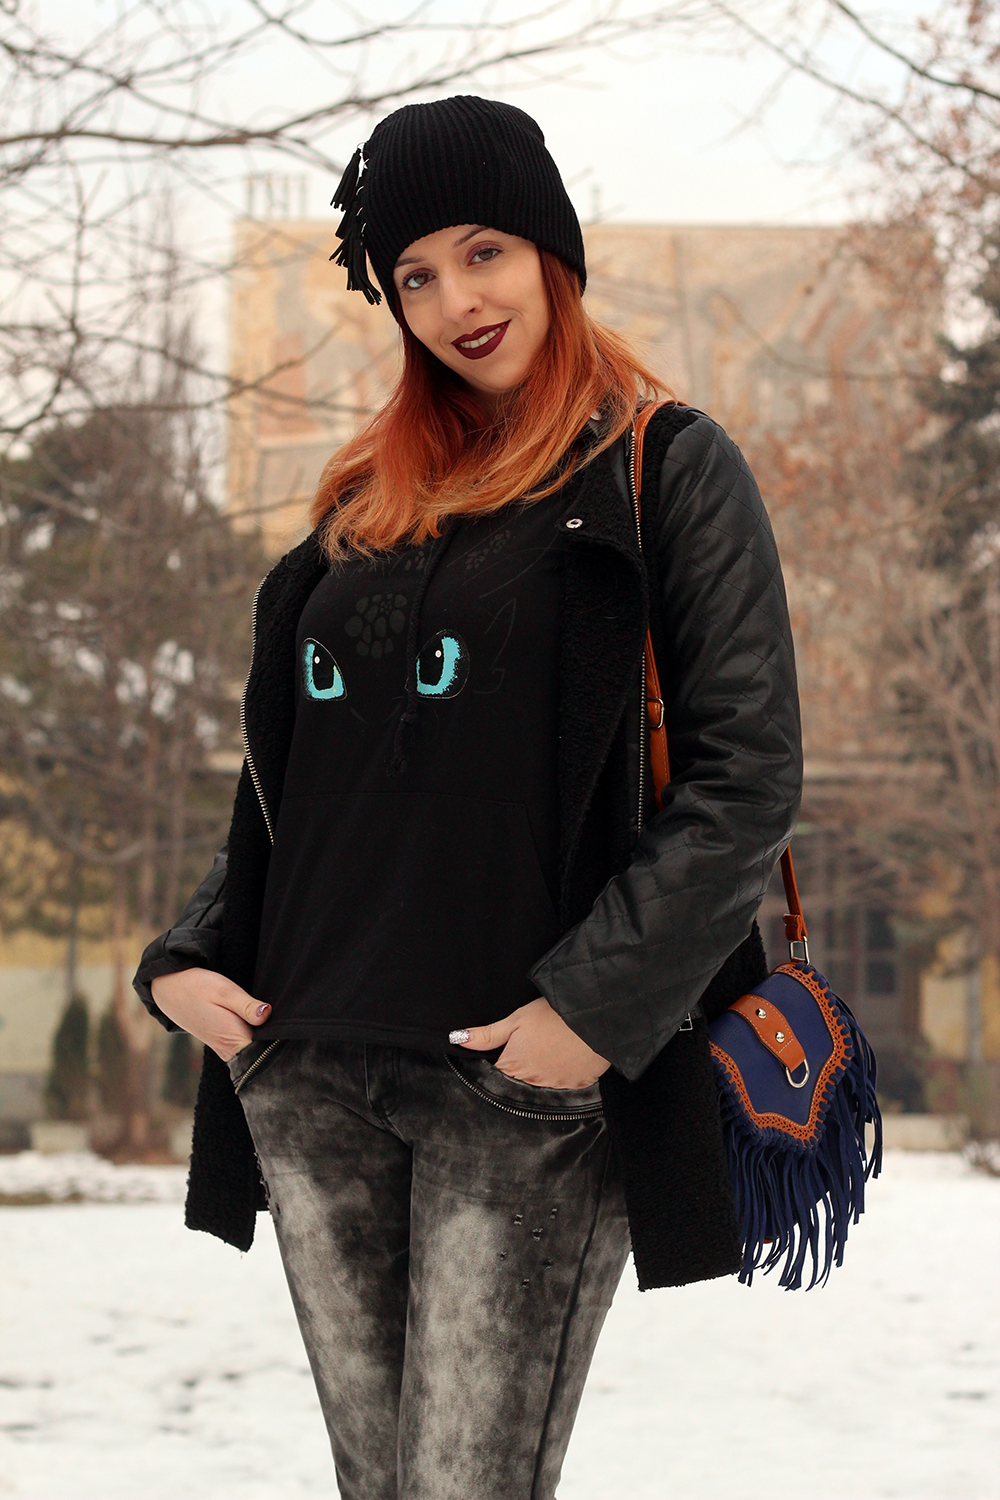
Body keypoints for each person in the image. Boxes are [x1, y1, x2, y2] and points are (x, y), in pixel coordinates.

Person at [134, 95, 801, 1500]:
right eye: (415, 275)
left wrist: (589, 1014)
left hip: (515, 1079)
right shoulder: (365, 501)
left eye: (484, 252)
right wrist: (188, 954)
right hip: (309, 1061)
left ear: (552, 251)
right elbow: (298, 779)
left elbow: (745, 778)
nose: (456, 302)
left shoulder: (664, 468)